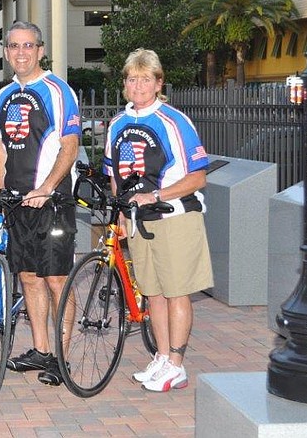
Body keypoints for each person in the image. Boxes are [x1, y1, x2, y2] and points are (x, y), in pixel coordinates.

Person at [103, 48, 213, 392]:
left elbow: (198, 177)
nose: (138, 85)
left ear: (158, 82)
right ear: (125, 83)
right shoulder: (118, 123)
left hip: (174, 218)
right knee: (153, 293)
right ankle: (162, 357)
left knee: (176, 291)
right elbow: (114, 174)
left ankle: (177, 363)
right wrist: (122, 211)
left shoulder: (173, 121)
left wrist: (155, 196)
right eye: (132, 78)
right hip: (139, 222)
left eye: (146, 78)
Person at [0, 21, 81, 386]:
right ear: (7, 52)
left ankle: (61, 359)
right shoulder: (4, 95)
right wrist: (0, 195)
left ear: (41, 50)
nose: (21, 52)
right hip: (16, 204)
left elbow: (70, 146)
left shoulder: (58, 92)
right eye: (14, 46)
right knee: (28, 277)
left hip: (53, 203)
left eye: (28, 45)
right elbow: (1, 149)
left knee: (57, 279)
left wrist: (46, 187)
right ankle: (41, 350)